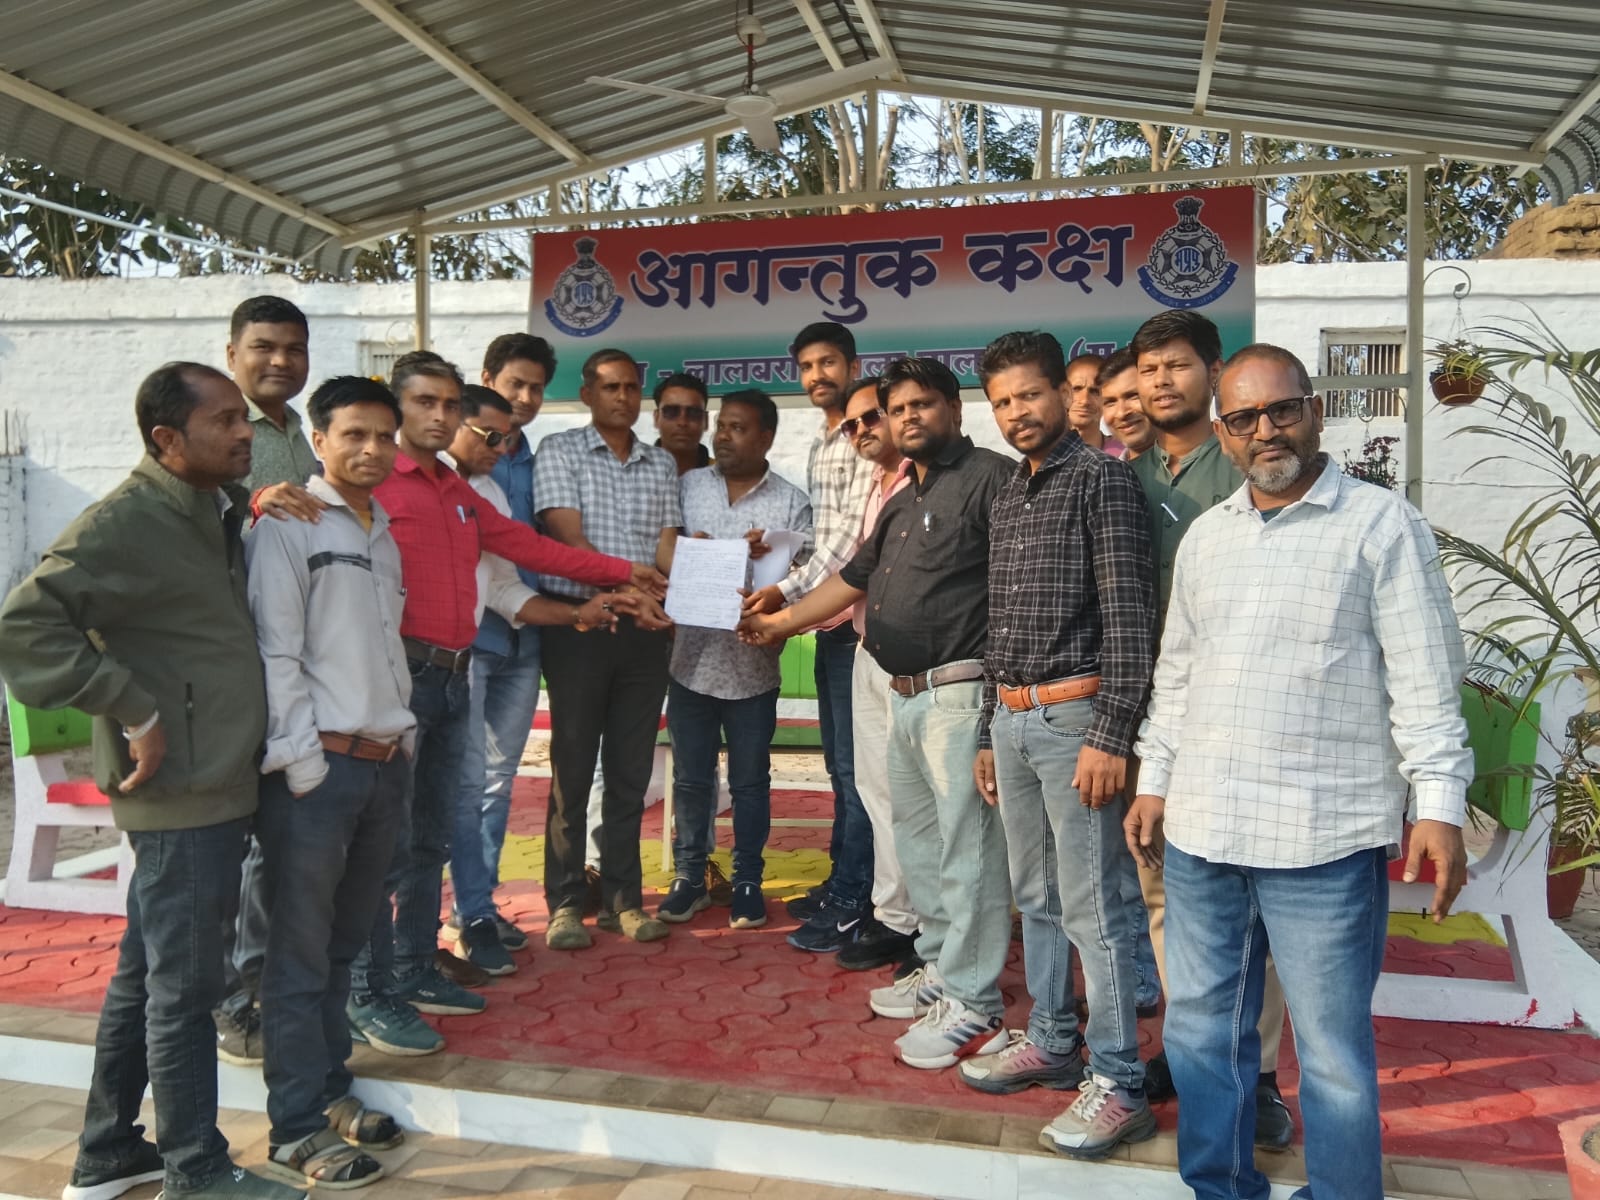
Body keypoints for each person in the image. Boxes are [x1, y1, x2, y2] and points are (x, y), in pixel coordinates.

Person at [1126, 343, 1471, 1200]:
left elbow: (1427, 679)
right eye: (1244, 418)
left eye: (1282, 410)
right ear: (1223, 433)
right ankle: (1220, 1187)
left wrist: (1439, 805)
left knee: (1333, 1056)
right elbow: (1178, 675)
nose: (1266, 431)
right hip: (1204, 831)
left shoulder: (1381, 526)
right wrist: (1154, 780)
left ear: (1314, 412)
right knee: (1200, 1034)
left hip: (1322, 838)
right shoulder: (1208, 538)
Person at [0, 362, 304, 1200]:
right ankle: (195, 1170)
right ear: (168, 438)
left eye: (243, 419)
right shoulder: (127, 522)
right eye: (225, 421)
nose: (245, 434)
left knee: (149, 976)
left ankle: (106, 1153)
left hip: (214, 776)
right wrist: (131, 706)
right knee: (187, 989)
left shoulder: (210, 508)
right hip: (182, 790)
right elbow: (24, 627)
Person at [346, 352, 655, 1056]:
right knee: (381, 843)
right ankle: (366, 990)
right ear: (397, 411)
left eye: (450, 405)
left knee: (430, 835)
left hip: (453, 677)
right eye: (424, 403)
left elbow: (528, 549)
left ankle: (416, 966)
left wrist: (624, 571)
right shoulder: (370, 482)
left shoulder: (459, 492)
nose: (440, 416)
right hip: (392, 680)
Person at [741, 356, 1015, 1069]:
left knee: (968, 851)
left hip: (960, 693)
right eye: (898, 409)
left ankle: (975, 1002)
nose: (907, 418)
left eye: (922, 404)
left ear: (954, 408)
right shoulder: (901, 495)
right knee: (919, 844)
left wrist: (998, 705)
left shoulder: (992, 480)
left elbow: (1016, 596)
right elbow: (852, 580)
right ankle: (940, 966)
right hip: (903, 692)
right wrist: (778, 623)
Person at [961, 331, 1155, 1154]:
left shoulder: (1102, 481)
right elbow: (997, 623)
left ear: (1067, 397)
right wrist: (987, 727)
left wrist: (1111, 734)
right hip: (1012, 717)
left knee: (1093, 906)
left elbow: (1131, 617)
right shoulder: (1009, 494)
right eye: (1002, 401)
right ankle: (1051, 1038)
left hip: (1077, 722)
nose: (1017, 413)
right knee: (1034, 897)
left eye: (1029, 394)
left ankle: (1118, 1079)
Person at [1125, 310, 1293, 1146]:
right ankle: (1194, 1050)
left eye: (1178, 365)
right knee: (1164, 894)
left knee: (1253, 902)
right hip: (1148, 720)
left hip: (1239, 716)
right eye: (1149, 368)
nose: (1162, 381)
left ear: (1214, 372)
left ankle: (1255, 1073)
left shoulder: (1248, 468)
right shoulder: (1124, 476)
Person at [248, 376, 414, 1191]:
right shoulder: (289, 524)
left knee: (343, 946)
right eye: (354, 433)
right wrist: (304, 764)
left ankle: (328, 1090)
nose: (372, 448)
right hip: (320, 771)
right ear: (318, 440)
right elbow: (275, 652)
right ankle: (292, 1130)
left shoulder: (381, 531)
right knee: (298, 953)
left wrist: (401, 741)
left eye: (384, 435)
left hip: (382, 764)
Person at [535, 348, 681, 950]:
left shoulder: (661, 463)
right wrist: (629, 591)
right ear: (587, 394)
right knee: (572, 770)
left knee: (629, 771)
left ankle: (624, 902)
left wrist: (695, 582)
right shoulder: (559, 451)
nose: (622, 397)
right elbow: (565, 539)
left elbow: (666, 548)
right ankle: (566, 903)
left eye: (630, 387)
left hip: (646, 634)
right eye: (610, 387)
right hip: (580, 629)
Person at [742, 322, 876, 953]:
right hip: (828, 622)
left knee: (856, 771)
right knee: (838, 767)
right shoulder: (823, 442)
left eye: (828, 363)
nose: (818, 375)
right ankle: (842, 880)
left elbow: (853, 540)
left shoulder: (862, 436)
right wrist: (782, 560)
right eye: (807, 366)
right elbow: (825, 538)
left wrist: (785, 592)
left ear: (853, 366)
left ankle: (857, 898)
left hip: (857, 622)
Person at [216, 294, 324, 1068]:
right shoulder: (216, 422)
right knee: (241, 840)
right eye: (264, 346)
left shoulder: (299, 436)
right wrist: (252, 501)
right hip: (234, 658)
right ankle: (237, 994)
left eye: (294, 347)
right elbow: (195, 508)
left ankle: (274, 981)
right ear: (232, 354)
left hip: (297, 659)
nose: (281, 360)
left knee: (285, 833)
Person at [657, 389, 811, 929]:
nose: (723, 436)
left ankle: (748, 880)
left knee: (749, 782)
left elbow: (807, 579)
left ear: (766, 437)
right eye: (721, 425)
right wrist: (689, 551)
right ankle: (689, 876)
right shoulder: (687, 488)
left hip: (752, 669)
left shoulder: (791, 503)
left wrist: (777, 572)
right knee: (691, 780)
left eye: (738, 428)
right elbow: (665, 550)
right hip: (690, 661)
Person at [443, 334, 560, 961]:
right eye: (516, 384)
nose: (525, 398)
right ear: (486, 380)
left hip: (524, 633)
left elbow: (528, 558)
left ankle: (476, 909)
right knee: (461, 784)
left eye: (536, 388)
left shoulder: (536, 463)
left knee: (496, 781)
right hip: (464, 641)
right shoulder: (446, 472)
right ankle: (449, 915)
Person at [832, 377, 920, 975]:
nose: (862, 430)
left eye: (872, 417)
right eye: (852, 424)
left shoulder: (923, 483)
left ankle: (929, 928)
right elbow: (850, 571)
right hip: (866, 650)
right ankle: (895, 916)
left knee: (919, 799)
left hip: (914, 665)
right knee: (876, 790)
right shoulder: (871, 486)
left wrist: (782, 616)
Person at [1096, 347, 1155, 461]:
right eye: (1110, 402)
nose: (1121, 413)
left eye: (1133, 396)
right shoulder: (1106, 470)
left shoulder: (1189, 467)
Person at [1066, 351, 1124, 457]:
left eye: (1094, 391)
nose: (1085, 401)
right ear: (1062, 393)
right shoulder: (1042, 454)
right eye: (1077, 389)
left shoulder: (1124, 454)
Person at [653, 372, 713, 473]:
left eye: (693, 413)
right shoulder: (634, 472)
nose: (682, 422)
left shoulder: (726, 477)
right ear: (656, 418)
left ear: (706, 421)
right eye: (671, 412)